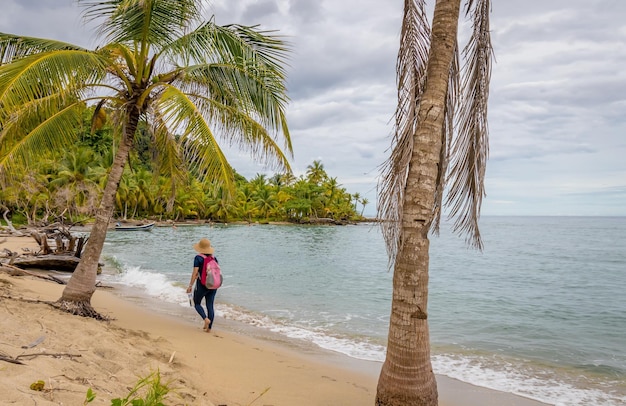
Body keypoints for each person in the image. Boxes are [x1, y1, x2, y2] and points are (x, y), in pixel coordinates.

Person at [186, 238, 218, 333]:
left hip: (202, 285)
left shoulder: (198, 258)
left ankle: (205, 319)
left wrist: (190, 285)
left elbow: (195, 272)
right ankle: (209, 328)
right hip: (213, 284)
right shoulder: (214, 258)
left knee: (196, 303)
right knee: (210, 305)